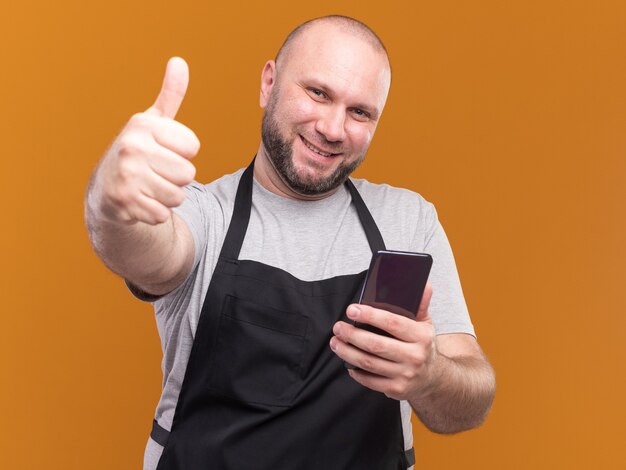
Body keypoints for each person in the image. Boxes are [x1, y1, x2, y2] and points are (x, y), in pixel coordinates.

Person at [85, 15, 495, 470]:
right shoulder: (205, 213)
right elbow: (139, 246)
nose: (334, 128)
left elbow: (470, 402)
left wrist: (429, 374)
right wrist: (111, 200)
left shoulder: (405, 221)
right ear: (269, 84)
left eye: (360, 112)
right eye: (318, 93)